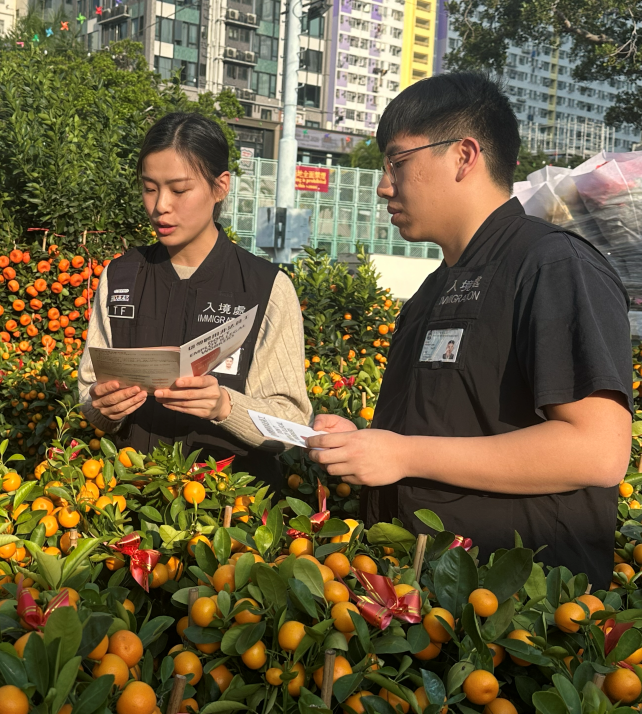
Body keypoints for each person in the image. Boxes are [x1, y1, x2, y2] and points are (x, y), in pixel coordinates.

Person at [305, 73, 631, 587]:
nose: (383, 184)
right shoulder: (433, 290)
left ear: (463, 155)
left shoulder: (552, 264)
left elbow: (597, 450)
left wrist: (402, 453)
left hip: (516, 618)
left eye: (398, 163)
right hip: (418, 604)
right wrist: (367, 444)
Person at [78, 112, 312, 490]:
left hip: (231, 521)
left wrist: (224, 406)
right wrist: (103, 408)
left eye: (179, 189)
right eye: (149, 188)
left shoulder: (265, 287)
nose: (160, 206)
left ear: (220, 187)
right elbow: (92, 392)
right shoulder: (121, 276)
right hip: (131, 509)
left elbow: (291, 426)